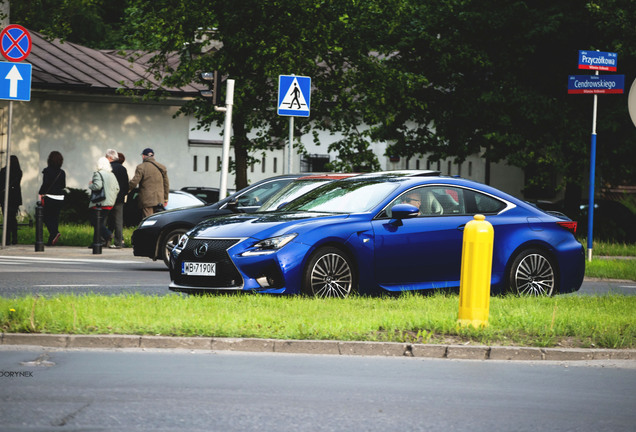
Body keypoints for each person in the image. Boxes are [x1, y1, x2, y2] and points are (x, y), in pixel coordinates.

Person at [128, 148, 169, 219]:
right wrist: (165, 199)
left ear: (143, 156)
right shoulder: (162, 167)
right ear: (153, 156)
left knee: (148, 220)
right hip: (159, 199)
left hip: (147, 199)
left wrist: (126, 190)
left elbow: (134, 182)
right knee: (158, 221)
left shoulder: (141, 167)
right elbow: (166, 184)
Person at [88, 156, 120, 247]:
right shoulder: (112, 174)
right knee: (100, 222)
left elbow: (97, 186)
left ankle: (107, 234)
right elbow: (117, 188)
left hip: (99, 202)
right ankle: (96, 242)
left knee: (95, 222)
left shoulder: (98, 174)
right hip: (110, 203)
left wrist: (90, 185)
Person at [38, 151, 66, 246]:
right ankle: (51, 240)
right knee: (55, 218)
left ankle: (54, 232)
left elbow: (45, 183)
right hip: (60, 197)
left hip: (50, 196)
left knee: (46, 217)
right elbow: (63, 185)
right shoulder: (62, 172)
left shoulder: (47, 170)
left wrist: (41, 193)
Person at [105, 149, 129, 249]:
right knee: (118, 221)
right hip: (119, 199)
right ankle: (119, 241)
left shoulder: (107, 168)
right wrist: (122, 195)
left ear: (110, 157)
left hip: (108, 198)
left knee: (104, 219)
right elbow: (126, 185)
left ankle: (103, 240)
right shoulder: (123, 169)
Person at [0, 155, 23, 245]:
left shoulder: (4, 171)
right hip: (14, 198)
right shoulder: (19, 172)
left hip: (5, 197)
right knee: (12, 218)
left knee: (6, 218)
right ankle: (14, 238)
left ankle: (7, 238)